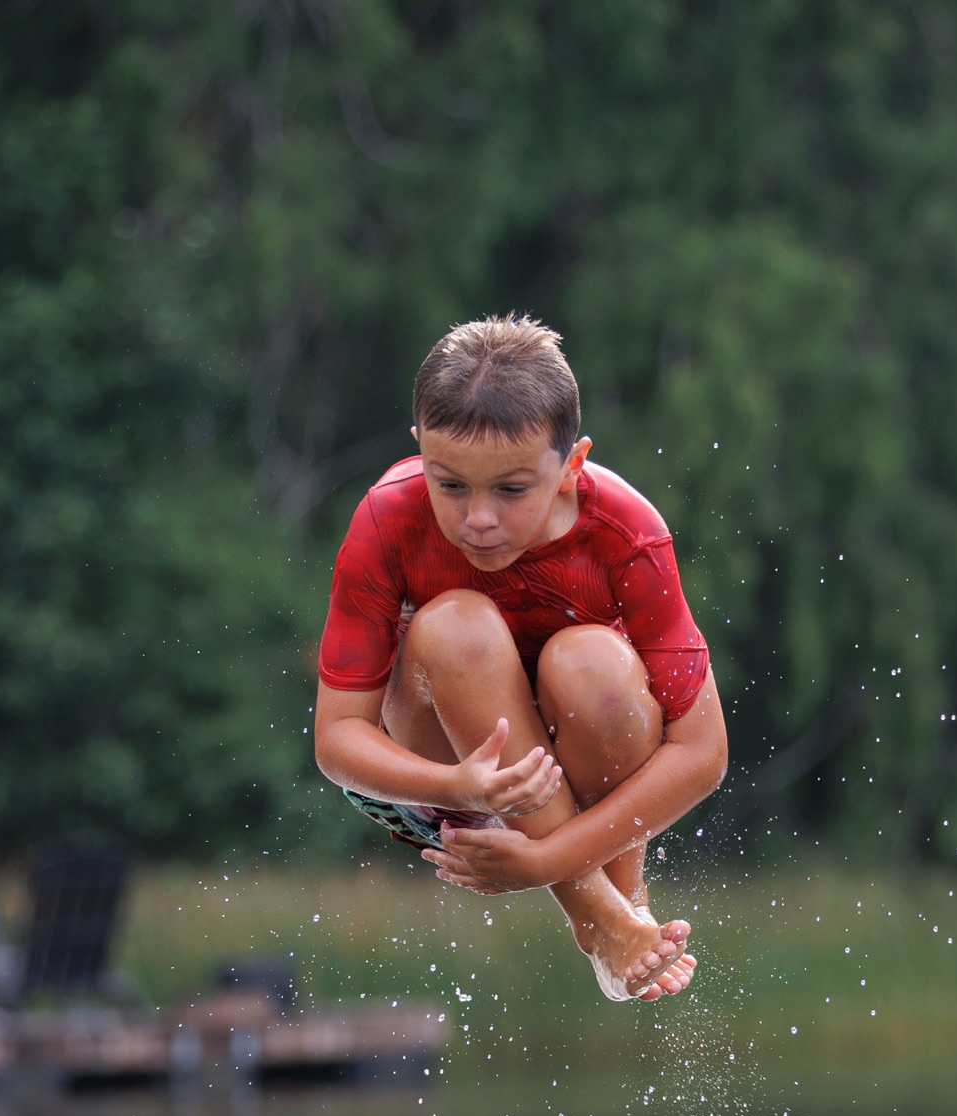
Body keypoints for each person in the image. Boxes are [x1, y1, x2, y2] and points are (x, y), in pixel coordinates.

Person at [312, 315, 728, 1002]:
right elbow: (336, 739)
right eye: (450, 486)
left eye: (510, 490)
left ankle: (616, 907)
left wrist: (544, 861)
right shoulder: (388, 517)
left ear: (572, 465)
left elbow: (704, 754)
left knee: (593, 661)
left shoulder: (627, 534)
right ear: (420, 447)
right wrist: (461, 788)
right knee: (456, 626)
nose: (478, 519)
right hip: (443, 779)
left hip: (580, 765)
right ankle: (604, 915)